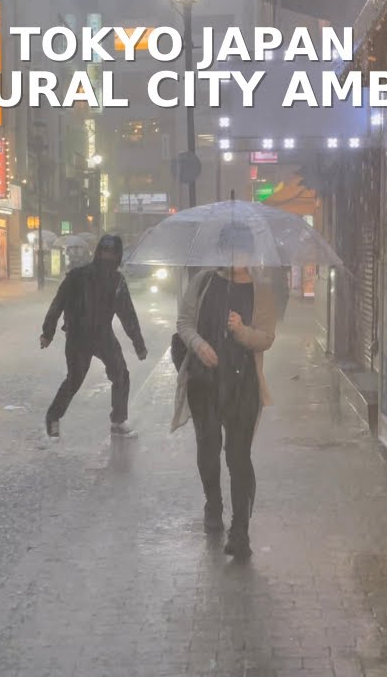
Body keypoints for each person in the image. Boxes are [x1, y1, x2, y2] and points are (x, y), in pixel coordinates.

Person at [171, 224, 277, 558]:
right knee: (208, 449)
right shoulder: (204, 282)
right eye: (230, 250)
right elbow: (184, 323)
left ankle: (240, 532)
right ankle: (213, 504)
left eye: (242, 251)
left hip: (242, 384)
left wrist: (242, 331)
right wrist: (199, 345)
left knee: (238, 456)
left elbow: (267, 338)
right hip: (205, 382)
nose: (236, 258)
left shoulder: (262, 292)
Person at [41, 234, 147, 438]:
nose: (108, 256)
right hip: (78, 337)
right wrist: (48, 332)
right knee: (75, 379)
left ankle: (118, 420)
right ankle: (53, 416)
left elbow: (127, 314)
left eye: (112, 253)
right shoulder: (77, 276)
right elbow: (58, 303)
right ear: (98, 252)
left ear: (117, 256)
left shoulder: (117, 281)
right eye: (105, 252)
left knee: (121, 374)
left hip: (103, 335)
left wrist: (139, 344)